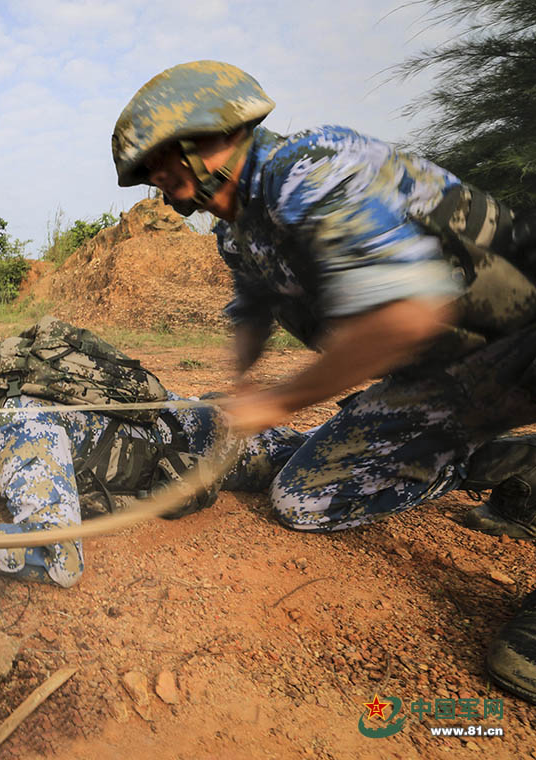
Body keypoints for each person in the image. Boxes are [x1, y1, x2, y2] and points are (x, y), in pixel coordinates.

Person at [111, 60, 536, 702]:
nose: (172, 196)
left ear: (204, 142)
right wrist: (238, 390)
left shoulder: (314, 166)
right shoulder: (240, 233)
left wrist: (279, 403)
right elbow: (251, 311)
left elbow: (403, 316)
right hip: (449, 377)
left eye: (168, 174)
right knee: (304, 500)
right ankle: (508, 462)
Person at [0, 359, 305, 588]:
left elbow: (62, 562)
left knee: (297, 468)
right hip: (182, 423)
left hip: (225, 444)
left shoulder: (21, 431)